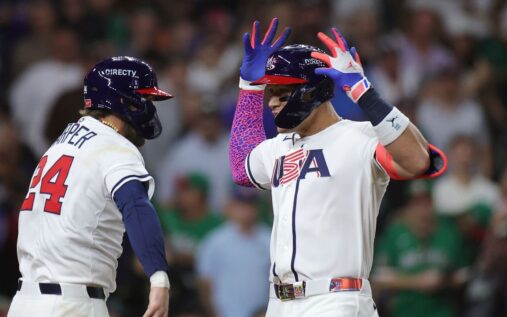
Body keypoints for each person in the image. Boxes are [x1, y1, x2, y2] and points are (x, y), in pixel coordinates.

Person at [229, 18, 447, 316]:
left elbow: (417, 161)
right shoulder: (278, 146)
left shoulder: (359, 137)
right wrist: (249, 90)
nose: (272, 103)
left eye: (282, 92)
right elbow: (241, 169)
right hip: (279, 303)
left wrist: (364, 93)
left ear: (312, 92)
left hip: (336, 298)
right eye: (270, 93)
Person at [8, 56, 172, 317]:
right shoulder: (115, 146)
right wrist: (159, 277)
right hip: (72, 304)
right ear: (124, 100)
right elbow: (135, 205)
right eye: (146, 99)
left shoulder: (59, 145)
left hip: (25, 303)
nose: (150, 108)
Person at [372, 181, 470, 317]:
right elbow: (379, 276)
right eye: (417, 203)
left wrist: (445, 281)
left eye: (427, 203)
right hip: (405, 310)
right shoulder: (395, 234)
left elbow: (465, 273)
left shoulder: (449, 233)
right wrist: (416, 281)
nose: (423, 210)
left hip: (442, 311)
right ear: (408, 208)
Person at [196, 185, 271, 317]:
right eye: (241, 204)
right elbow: (205, 285)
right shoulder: (214, 242)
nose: (246, 210)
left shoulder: (270, 239)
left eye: (250, 204)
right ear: (230, 206)